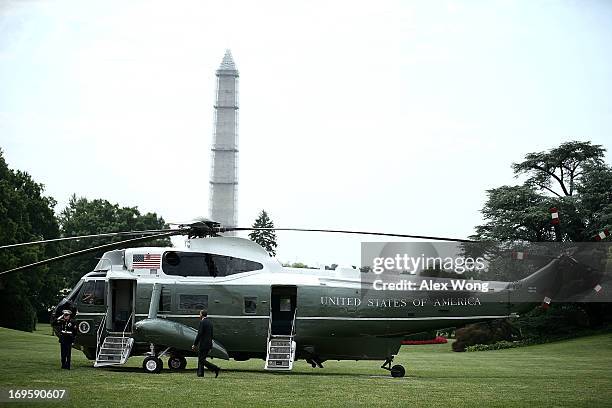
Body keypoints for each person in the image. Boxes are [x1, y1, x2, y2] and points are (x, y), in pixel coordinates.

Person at [191, 309, 220, 377]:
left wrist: (195, 344)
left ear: (201, 314)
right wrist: (210, 346)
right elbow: (211, 335)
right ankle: (200, 374)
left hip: (203, 344)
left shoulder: (202, 322)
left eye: (200, 314)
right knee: (202, 359)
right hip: (208, 344)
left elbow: (199, 334)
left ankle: (215, 368)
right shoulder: (210, 322)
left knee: (201, 360)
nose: (199, 315)